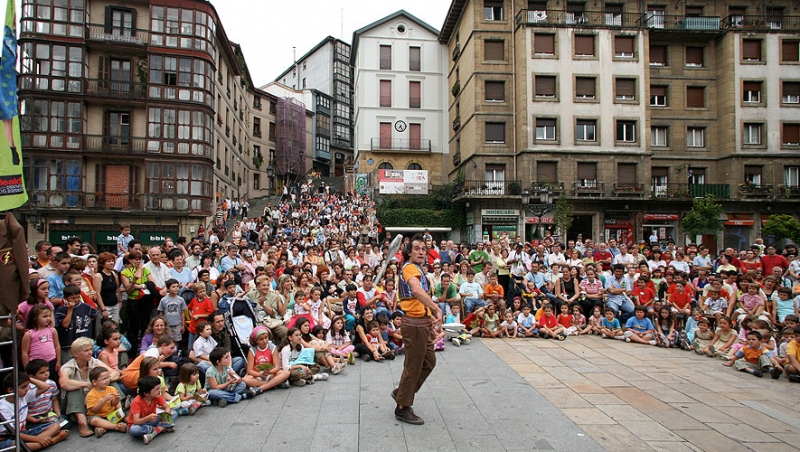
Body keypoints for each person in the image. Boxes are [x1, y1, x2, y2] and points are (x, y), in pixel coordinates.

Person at [391, 234, 442, 425]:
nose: (421, 251)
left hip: (422, 322)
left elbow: (417, 297)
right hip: (413, 324)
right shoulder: (411, 268)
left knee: (429, 361)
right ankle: (402, 407)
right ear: (409, 252)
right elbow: (417, 291)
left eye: (423, 248)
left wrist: (430, 313)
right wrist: (437, 308)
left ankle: (402, 392)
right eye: (417, 248)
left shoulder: (417, 268)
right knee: (413, 366)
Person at [59, 337, 120, 437]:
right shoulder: (68, 367)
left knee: (107, 381)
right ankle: (82, 423)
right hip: (77, 403)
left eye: (90, 349)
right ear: (76, 354)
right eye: (86, 350)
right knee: (75, 389)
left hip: (97, 399)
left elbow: (114, 373)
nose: (90, 353)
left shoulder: (93, 362)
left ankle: (116, 414)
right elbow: (64, 383)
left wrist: (105, 380)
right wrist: (85, 384)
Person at [0, 372, 70, 451]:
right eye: (23, 387)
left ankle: (41, 442)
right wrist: (37, 439)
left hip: (24, 432)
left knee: (56, 426)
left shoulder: (22, 396)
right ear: (10, 390)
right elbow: (12, 433)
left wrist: (27, 378)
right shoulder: (3, 408)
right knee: (17, 447)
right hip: (8, 437)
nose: (27, 389)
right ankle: (54, 440)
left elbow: (45, 386)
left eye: (27, 385)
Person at [127, 376, 175, 444]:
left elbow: (166, 407)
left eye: (159, 388)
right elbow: (136, 421)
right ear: (146, 393)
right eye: (157, 389)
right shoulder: (136, 402)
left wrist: (166, 414)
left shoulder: (157, 396)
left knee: (174, 413)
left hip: (153, 420)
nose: (159, 391)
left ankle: (153, 432)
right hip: (140, 424)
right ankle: (161, 428)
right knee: (134, 430)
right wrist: (147, 418)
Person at [243, 326, 291, 393]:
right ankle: (274, 384)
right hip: (257, 375)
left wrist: (269, 372)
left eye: (266, 338)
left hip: (270, 374)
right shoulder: (252, 350)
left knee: (286, 373)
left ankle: (260, 389)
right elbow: (249, 370)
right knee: (245, 380)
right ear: (256, 340)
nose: (265, 341)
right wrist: (260, 374)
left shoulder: (272, 347)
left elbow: (277, 367)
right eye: (261, 339)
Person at [84, 367, 127, 437]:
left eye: (108, 378)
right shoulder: (91, 394)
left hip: (110, 414)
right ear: (94, 382)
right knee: (94, 421)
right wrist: (103, 400)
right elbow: (94, 409)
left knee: (121, 414)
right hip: (97, 415)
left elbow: (114, 403)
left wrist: (117, 398)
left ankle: (103, 428)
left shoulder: (111, 389)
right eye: (104, 379)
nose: (107, 380)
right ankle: (115, 426)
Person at [21, 305, 60, 379]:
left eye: (49, 316)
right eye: (44, 316)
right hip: (36, 365)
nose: (48, 318)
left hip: (52, 362)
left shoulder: (52, 330)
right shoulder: (29, 333)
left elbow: (57, 346)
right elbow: (24, 352)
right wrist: (27, 369)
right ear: (35, 318)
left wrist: (58, 361)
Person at [24, 360, 62, 429]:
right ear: (32, 376)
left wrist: (57, 411)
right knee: (39, 426)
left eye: (47, 370)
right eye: (42, 372)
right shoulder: (27, 389)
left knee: (65, 423)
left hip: (48, 413)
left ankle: (50, 430)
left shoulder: (51, 383)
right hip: (34, 416)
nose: (46, 374)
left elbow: (54, 399)